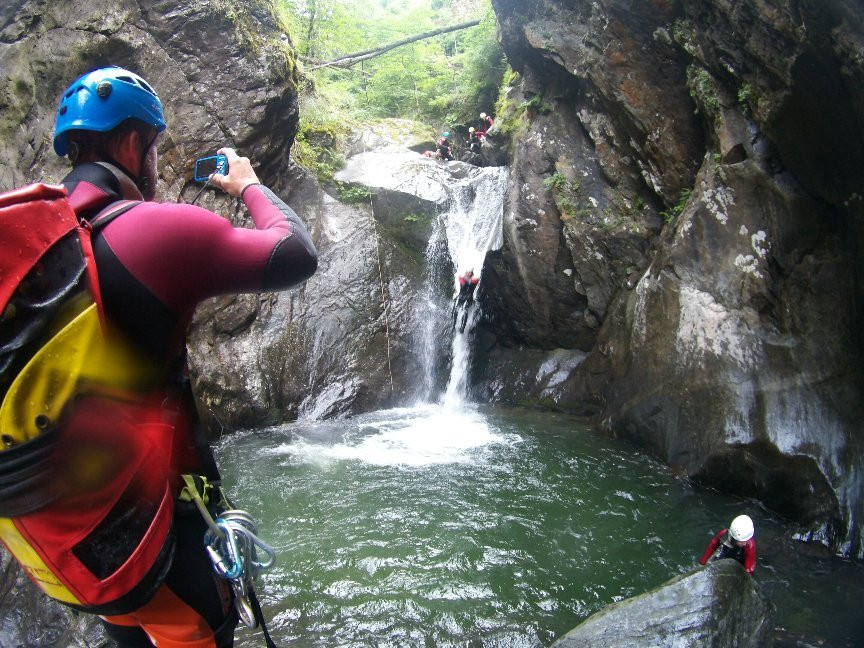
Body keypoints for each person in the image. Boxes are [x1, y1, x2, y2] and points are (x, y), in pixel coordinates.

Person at [2, 66, 318, 647]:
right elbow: (295, 252)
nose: (153, 164)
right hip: (159, 527)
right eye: (153, 146)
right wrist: (247, 183)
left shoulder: (35, 259)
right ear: (130, 143)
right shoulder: (153, 232)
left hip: (74, 532)